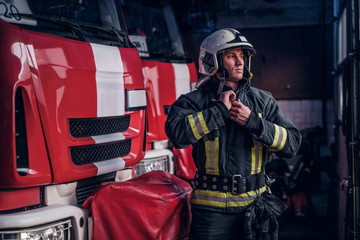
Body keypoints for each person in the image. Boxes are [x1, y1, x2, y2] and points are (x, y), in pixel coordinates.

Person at [165, 28, 302, 240]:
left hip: (256, 209)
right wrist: (218, 111)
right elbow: (177, 135)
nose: (240, 62)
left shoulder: (262, 102)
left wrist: (255, 123)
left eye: (242, 56)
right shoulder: (194, 101)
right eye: (231, 56)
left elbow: (292, 144)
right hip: (210, 215)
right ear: (213, 61)